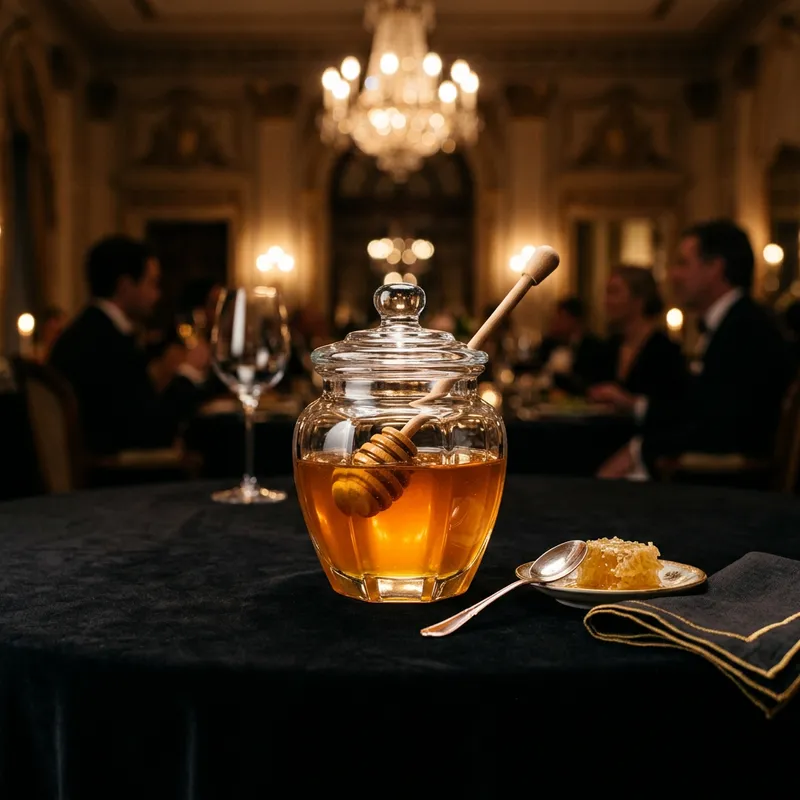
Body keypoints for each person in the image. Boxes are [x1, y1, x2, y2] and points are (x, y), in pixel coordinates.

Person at [597, 219, 792, 480]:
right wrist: (638, 412)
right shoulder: (733, 323)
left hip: (725, 482)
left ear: (715, 268)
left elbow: (726, 428)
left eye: (683, 263)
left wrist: (642, 451)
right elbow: (698, 408)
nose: (673, 275)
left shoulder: (747, 329)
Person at [49, 235, 211, 456]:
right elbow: (150, 432)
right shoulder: (106, 342)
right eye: (152, 283)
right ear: (125, 286)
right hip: (113, 471)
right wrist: (188, 372)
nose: (158, 295)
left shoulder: (87, 330)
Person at [587, 265, 686, 417]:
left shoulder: (665, 351)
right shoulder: (609, 346)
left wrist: (629, 403)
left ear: (639, 299)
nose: (606, 301)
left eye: (614, 292)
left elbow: (675, 410)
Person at [534, 297, 606, 393]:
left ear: (575, 320)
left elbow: (591, 383)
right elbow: (536, 369)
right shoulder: (549, 343)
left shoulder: (594, 346)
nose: (555, 321)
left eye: (561, 317)